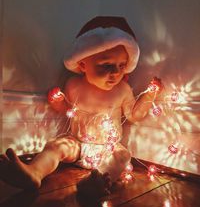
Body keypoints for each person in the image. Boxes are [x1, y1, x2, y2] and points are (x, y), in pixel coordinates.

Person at [0, 16, 162, 196]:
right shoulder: (73, 85)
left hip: (109, 147)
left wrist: (150, 94)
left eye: (121, 65)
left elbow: (134, 115)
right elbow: (69, 111)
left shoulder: (122, 90)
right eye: (106, 65)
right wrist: (58, 102)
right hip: (77, 144)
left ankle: (98, 180)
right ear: (83, 64)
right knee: (55, 146)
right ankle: (34, 172)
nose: (115, 73)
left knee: (123, 156)